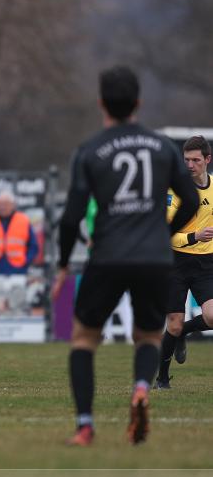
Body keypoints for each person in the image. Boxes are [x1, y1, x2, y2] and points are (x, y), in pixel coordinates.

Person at [52, 66, 198, 446]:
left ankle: (85, 425)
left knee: (84, 338)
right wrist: (163, 231)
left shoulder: (90, 150)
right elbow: (191, 199)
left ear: (101, 103)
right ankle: (140, 389)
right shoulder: (162, 147)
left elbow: (70, 217)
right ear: (138, 103)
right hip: (154, 259)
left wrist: (63, 265)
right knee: (147, 335)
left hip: (108, 256)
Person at [155, 136, 213, 388]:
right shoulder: (174, 191)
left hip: (206, 264)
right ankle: (162, 379)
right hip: (175, 263)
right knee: (173, 325)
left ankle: (184, 332)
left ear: (207, 160)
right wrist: (194, 236)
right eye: (186, 160)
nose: (190, 165)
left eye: (195, 160)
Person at [0, 190, 39, 316]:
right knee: (0, 309)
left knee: (17, 308)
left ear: (13, 205)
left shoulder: (23, 220)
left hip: (18, 272)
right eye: (0, 204)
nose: (3, 207)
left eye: (6, 204)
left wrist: (25, 262)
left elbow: (33, 246)